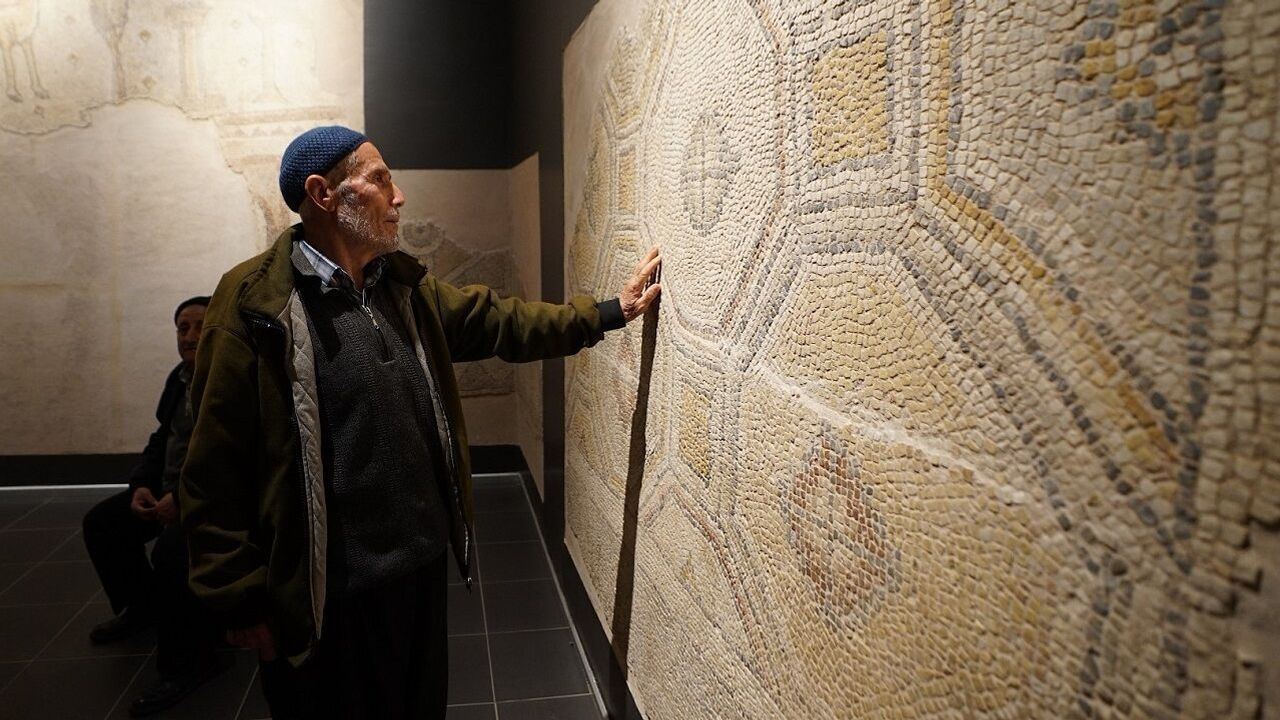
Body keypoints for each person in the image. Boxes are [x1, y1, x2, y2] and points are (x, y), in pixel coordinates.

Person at [179, 125, 662, 719]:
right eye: (380, 180)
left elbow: (498, 322)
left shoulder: (400, 286)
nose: (398, 196)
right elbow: (213, 462)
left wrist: (610, 312)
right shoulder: (255, 305)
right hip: (327, 593)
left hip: (419, 568)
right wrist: (236, 595)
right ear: (324, 195)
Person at [82, 295, 223, 717]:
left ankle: (192, 661)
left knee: (172, 553)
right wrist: (142, 484)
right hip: (167, 493)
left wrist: (181, 498)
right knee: (103, 523)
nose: (190, 336)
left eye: (200, 327)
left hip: (217, 499)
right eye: (183, 328)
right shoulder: (178, 379)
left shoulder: (232, 380)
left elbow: (231, 456)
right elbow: (162, 438)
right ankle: (143, 608)